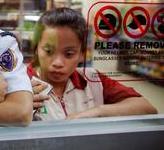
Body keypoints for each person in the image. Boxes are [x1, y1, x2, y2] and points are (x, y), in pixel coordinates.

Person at [29, 7, 157, 121]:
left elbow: (146, 107)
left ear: (82, 54)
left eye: (69, 54)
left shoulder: (93, 79)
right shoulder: (20, 83)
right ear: (36, 49)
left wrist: (99, 111)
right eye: (48, 51)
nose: (58, 63)